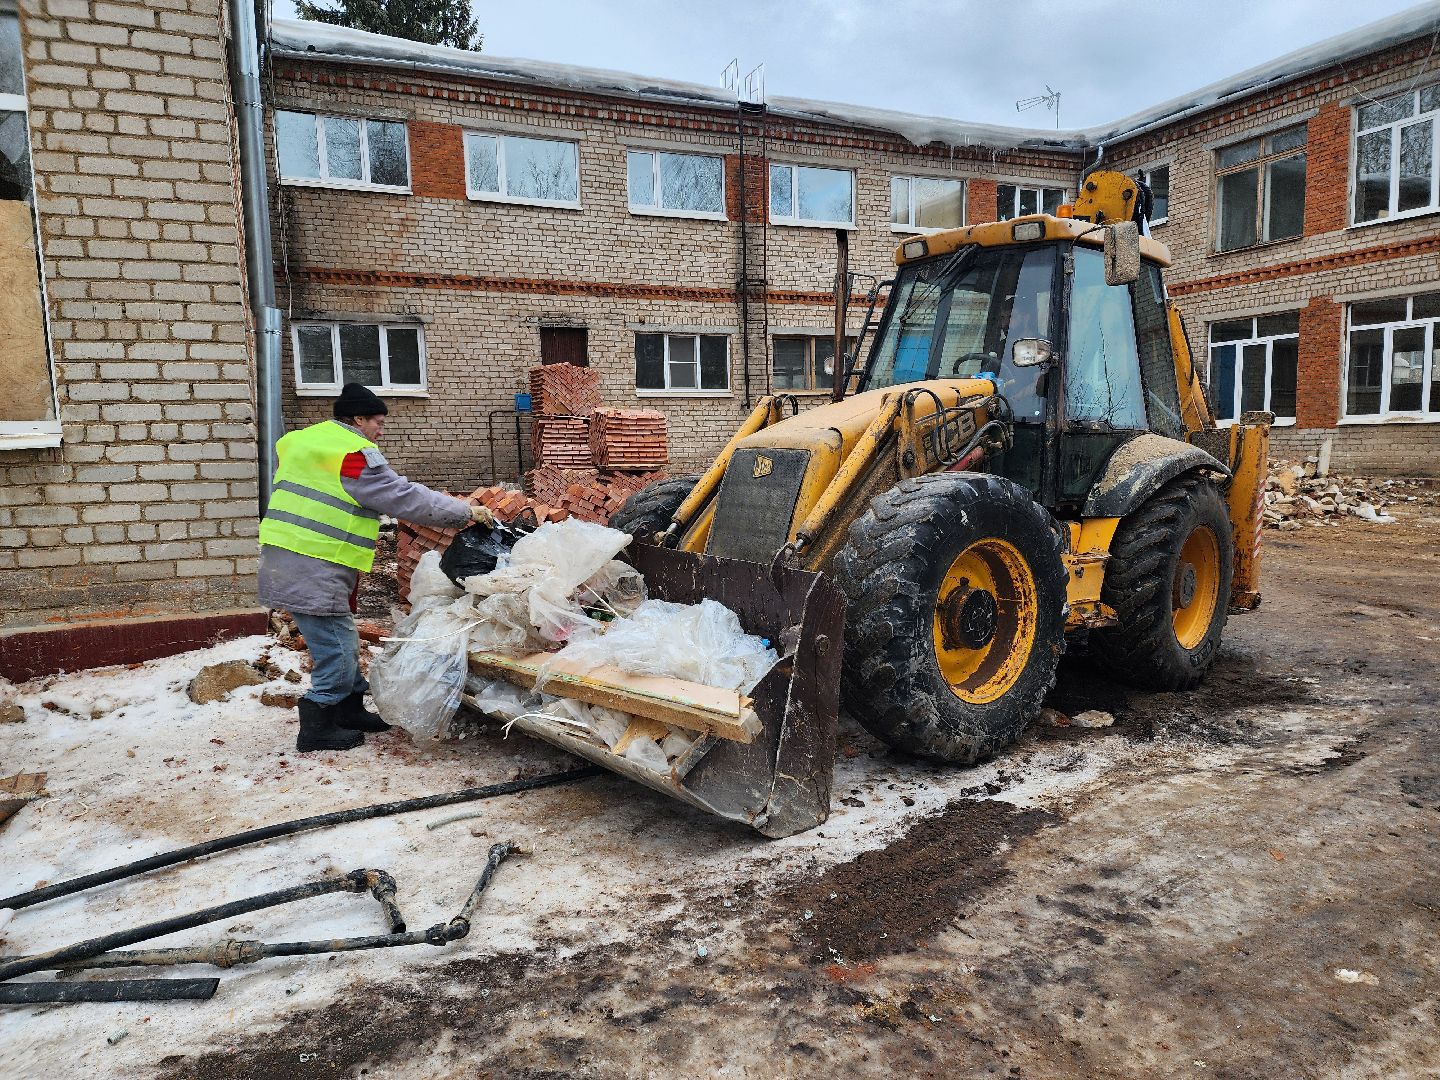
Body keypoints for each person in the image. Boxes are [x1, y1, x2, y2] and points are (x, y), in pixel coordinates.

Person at [258, 383, 490, 752]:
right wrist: (463, 512)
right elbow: (400, 495)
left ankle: (348, 709)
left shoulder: (308, 442)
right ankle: (317, 723)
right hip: (317, 560)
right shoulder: (351, 453)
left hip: (295, 555)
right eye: (377, 422)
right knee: (336, 646)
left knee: (342, 638)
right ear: (358, 419)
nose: (380, 430)